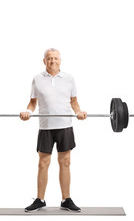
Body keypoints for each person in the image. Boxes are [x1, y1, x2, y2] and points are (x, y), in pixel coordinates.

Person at [20, 48, 87, 212]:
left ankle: (66, 199)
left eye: (55, 58)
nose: (52, 61)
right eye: (49, 58)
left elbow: (74, 101)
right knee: (43, 163)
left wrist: (78, 112)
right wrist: (27, 112)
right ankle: (40, 199)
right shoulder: (37, 78)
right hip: (46, 127)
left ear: (60, 60)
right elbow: (33, 102)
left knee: (65, 162)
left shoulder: (69, 79)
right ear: (44, 61)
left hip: (65, 125)